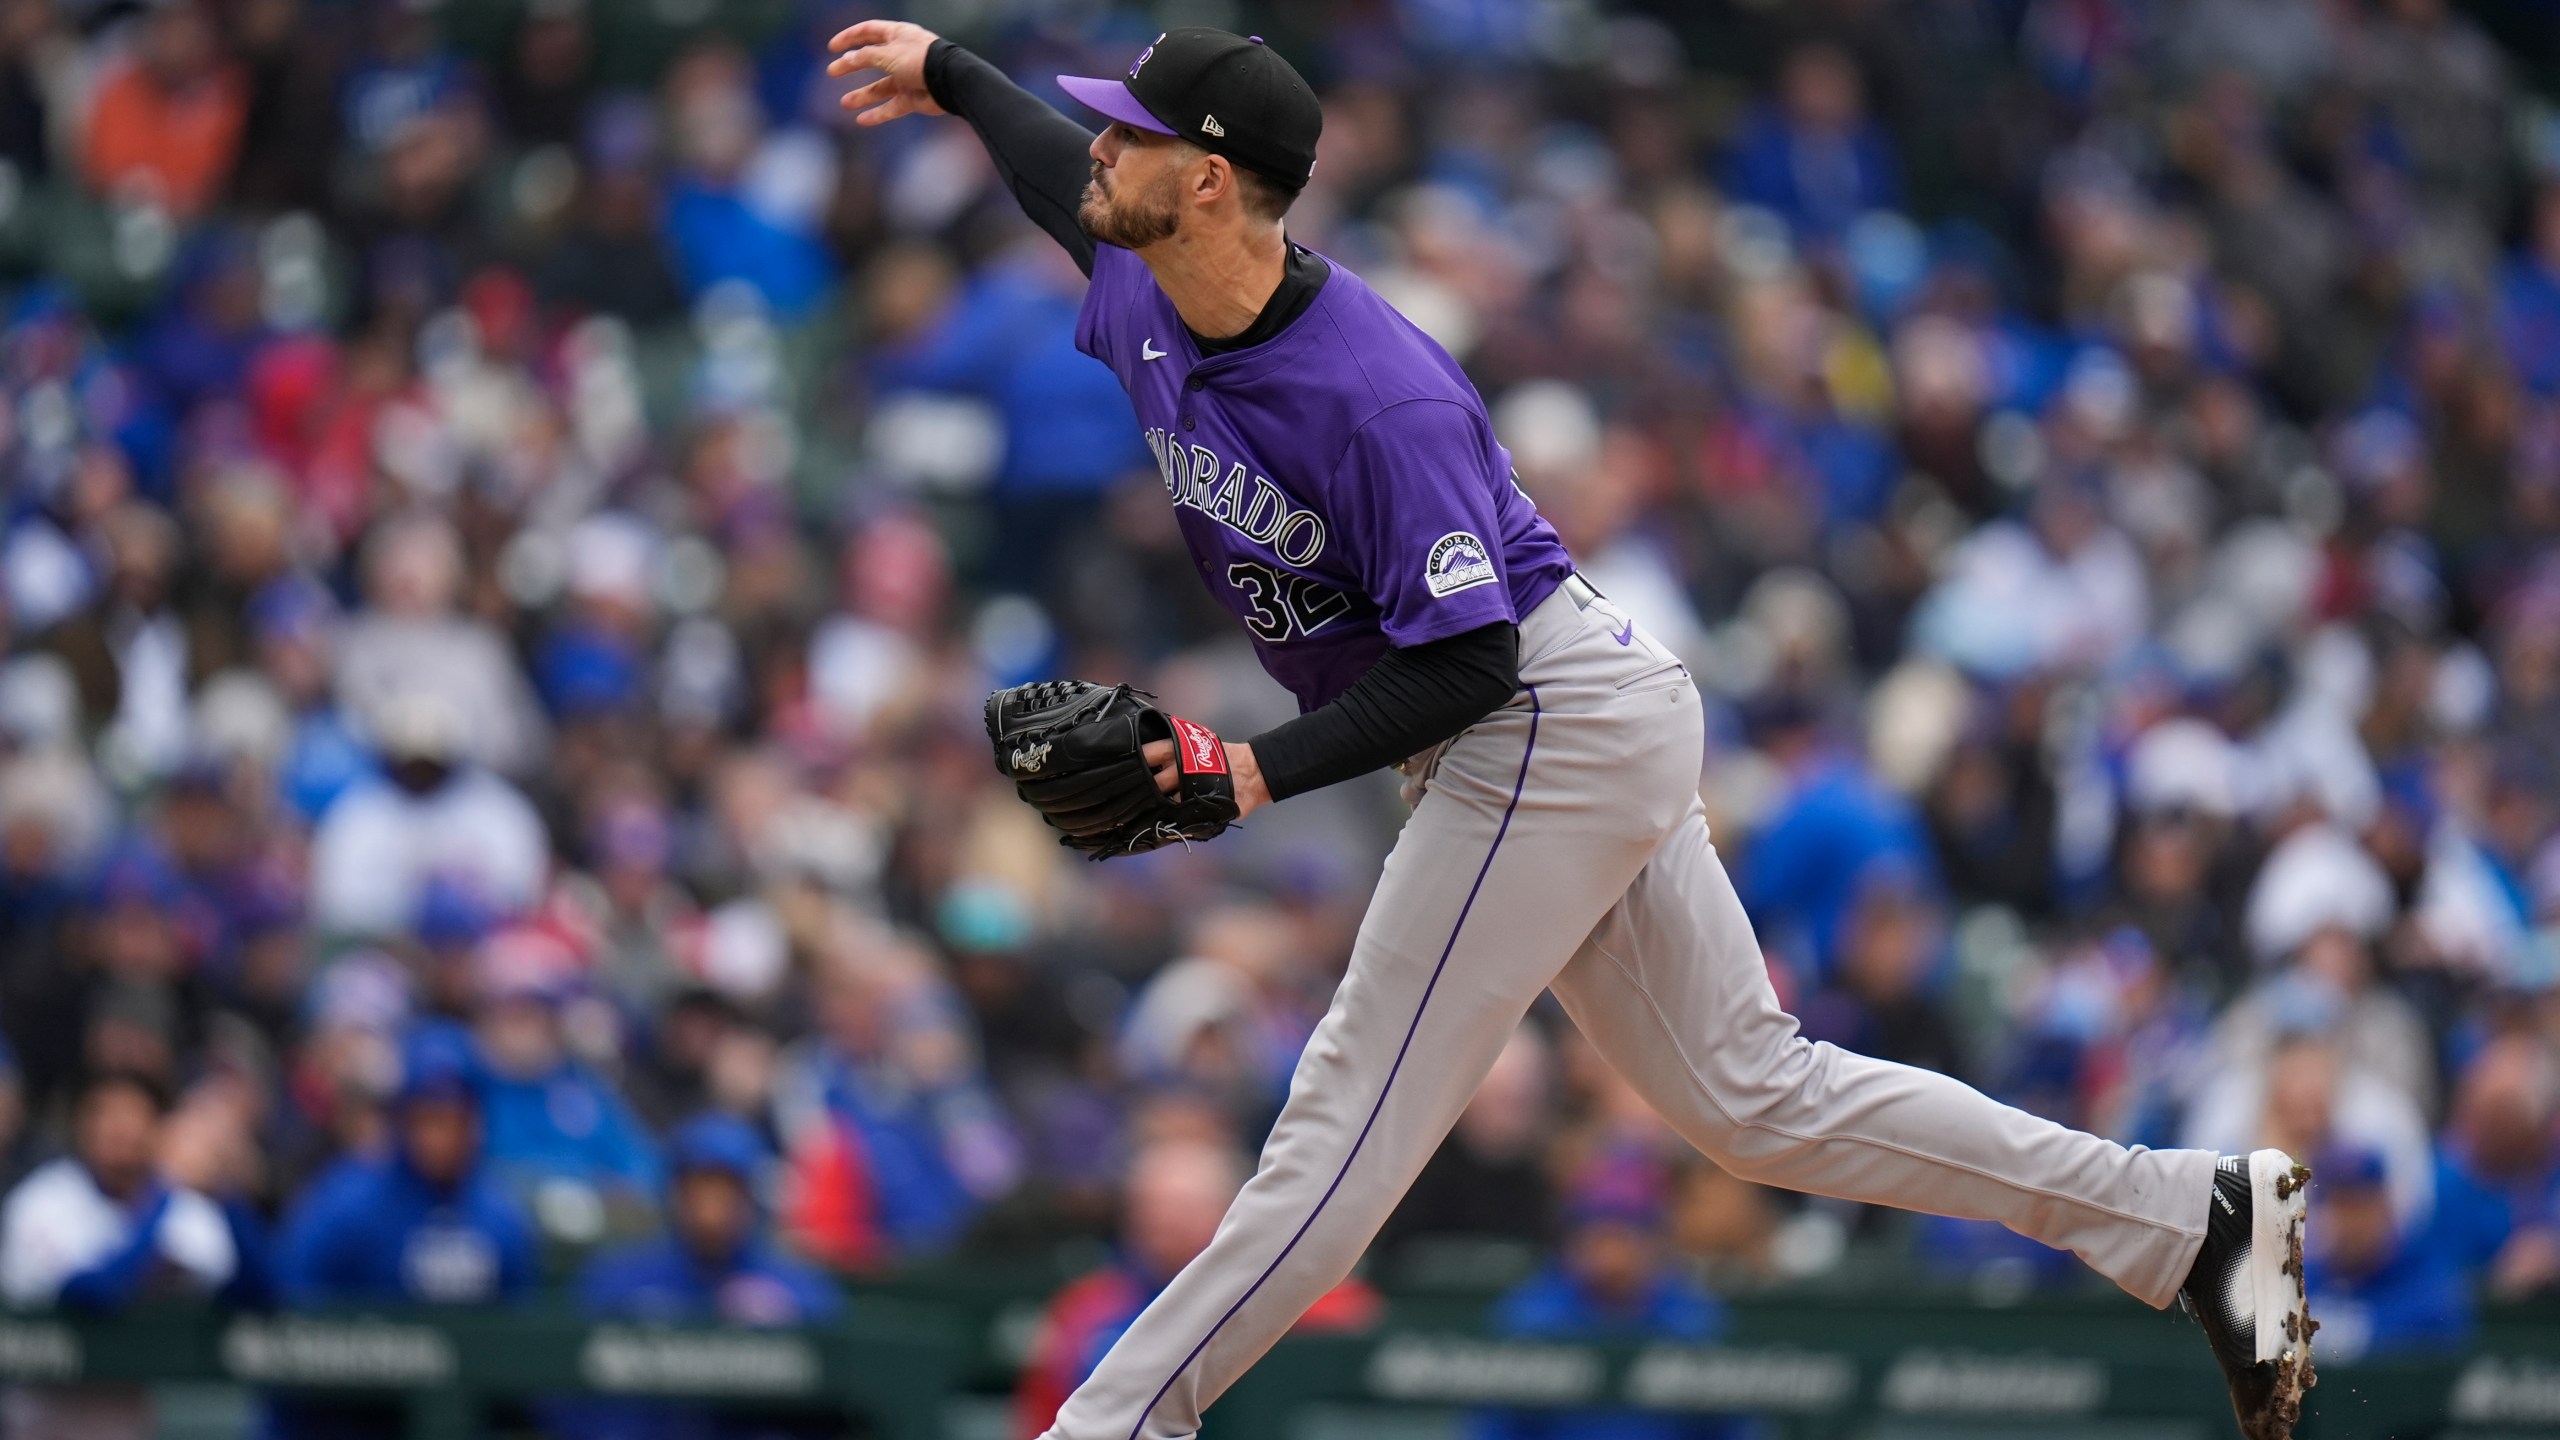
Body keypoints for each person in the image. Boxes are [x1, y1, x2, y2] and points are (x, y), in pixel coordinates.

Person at [827, 21, 2311, 1440]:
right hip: (1561, 713)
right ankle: (2192, 1220)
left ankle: (1115, 1423)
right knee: (1753, 1100)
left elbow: (1467, 665)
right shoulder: (1150, 278)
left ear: (1208, 179)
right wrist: (953, 73)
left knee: (1344, 1118)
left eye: (1130, 128)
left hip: (1539, 712)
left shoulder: (1374, 393)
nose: (1099, 142)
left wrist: (1251, 774)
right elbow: (1049, 173)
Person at [271, 1024, 537, 1440]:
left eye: (457, 1120)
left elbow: (519, 1348)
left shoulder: (499, 1216)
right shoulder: (344, 1204)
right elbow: (287, 1325)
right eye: (428, 1119)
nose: (442, 1138)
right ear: (402, 1119)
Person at [1014, 1137, 1376, 1440]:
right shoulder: (1085, 1306)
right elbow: (1041, 1418)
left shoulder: (1298, 1297)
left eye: (1181, 1206)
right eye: (1149, 1205)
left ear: (1228, 1210)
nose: (1161, 1220)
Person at [554, 1114, 840, 1440]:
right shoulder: (615, 1280)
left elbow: (832, 1402)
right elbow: (566, 1394)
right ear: (675, 1192)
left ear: (749, 1197)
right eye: (698, 1188)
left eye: (726, 1190)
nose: (711, 1208)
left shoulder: (798, 1290)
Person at [0, 1070, 241, 1440]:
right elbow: (95, 1294)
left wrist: (226, 1187)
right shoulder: (41, 1203)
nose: (119, 1129)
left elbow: (256, 1292)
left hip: (129, 1422)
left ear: (156, 1130)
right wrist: (167, 1191)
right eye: (104, 1114)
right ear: (80, 1124)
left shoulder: (179, 1204)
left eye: (133, 1116)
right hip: (41, 1422)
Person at [1477, 1155, 1739, 1440]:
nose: (1613, 1252)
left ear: (1655, 1241)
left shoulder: (1695, 1318)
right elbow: (1495, 1428)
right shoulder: (1529, 1316)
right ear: (1574, 1239)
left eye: (1627, 1233)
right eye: (1600, 1234)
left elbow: (1732, 1428)